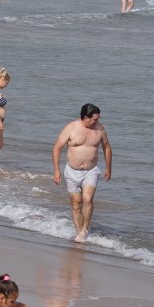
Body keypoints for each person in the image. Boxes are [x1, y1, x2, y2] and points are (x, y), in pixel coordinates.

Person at [51, 103, 113, 243]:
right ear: (86, 117)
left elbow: (107, 148)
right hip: (72, 171)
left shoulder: (100, 129)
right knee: (76, 203)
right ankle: (78, 232)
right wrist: (56, 170)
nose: (98, 121)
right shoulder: (71, 128)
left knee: (88, 198)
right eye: (95, 119)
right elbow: (57, 148)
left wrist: (108, 168)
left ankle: (84, 229)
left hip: (91, 171)